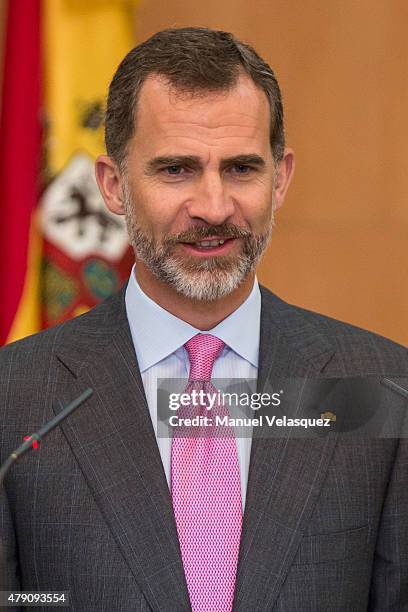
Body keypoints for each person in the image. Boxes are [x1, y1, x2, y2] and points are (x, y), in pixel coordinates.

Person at [1, 27, 407, 612]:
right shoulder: (16, 398)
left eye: (242, 169)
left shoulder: (380, 389)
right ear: (114, 186)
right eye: (175, 171)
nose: (213, 207)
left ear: (281, 178)